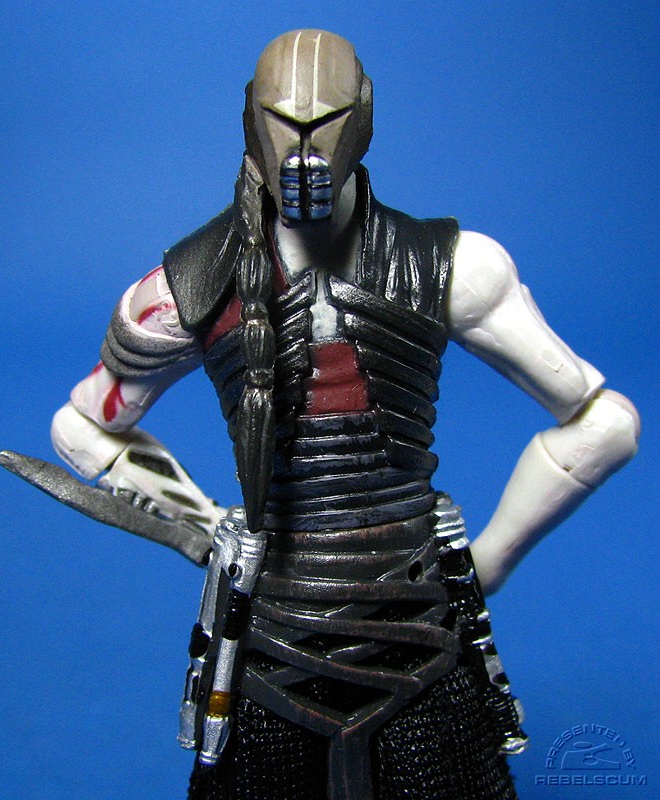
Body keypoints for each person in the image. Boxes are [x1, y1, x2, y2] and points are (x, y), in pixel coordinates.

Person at [50, 30, 639, 800]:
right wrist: (208, 529)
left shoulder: (452, 269)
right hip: (272, 641)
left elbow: (604, 423)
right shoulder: (189, 286)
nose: (304, 151)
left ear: (360, 121)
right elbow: (83, 424)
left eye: (323, 122)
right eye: (284, 123)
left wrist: (487, 562)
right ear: (253, 123)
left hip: (418, 632)